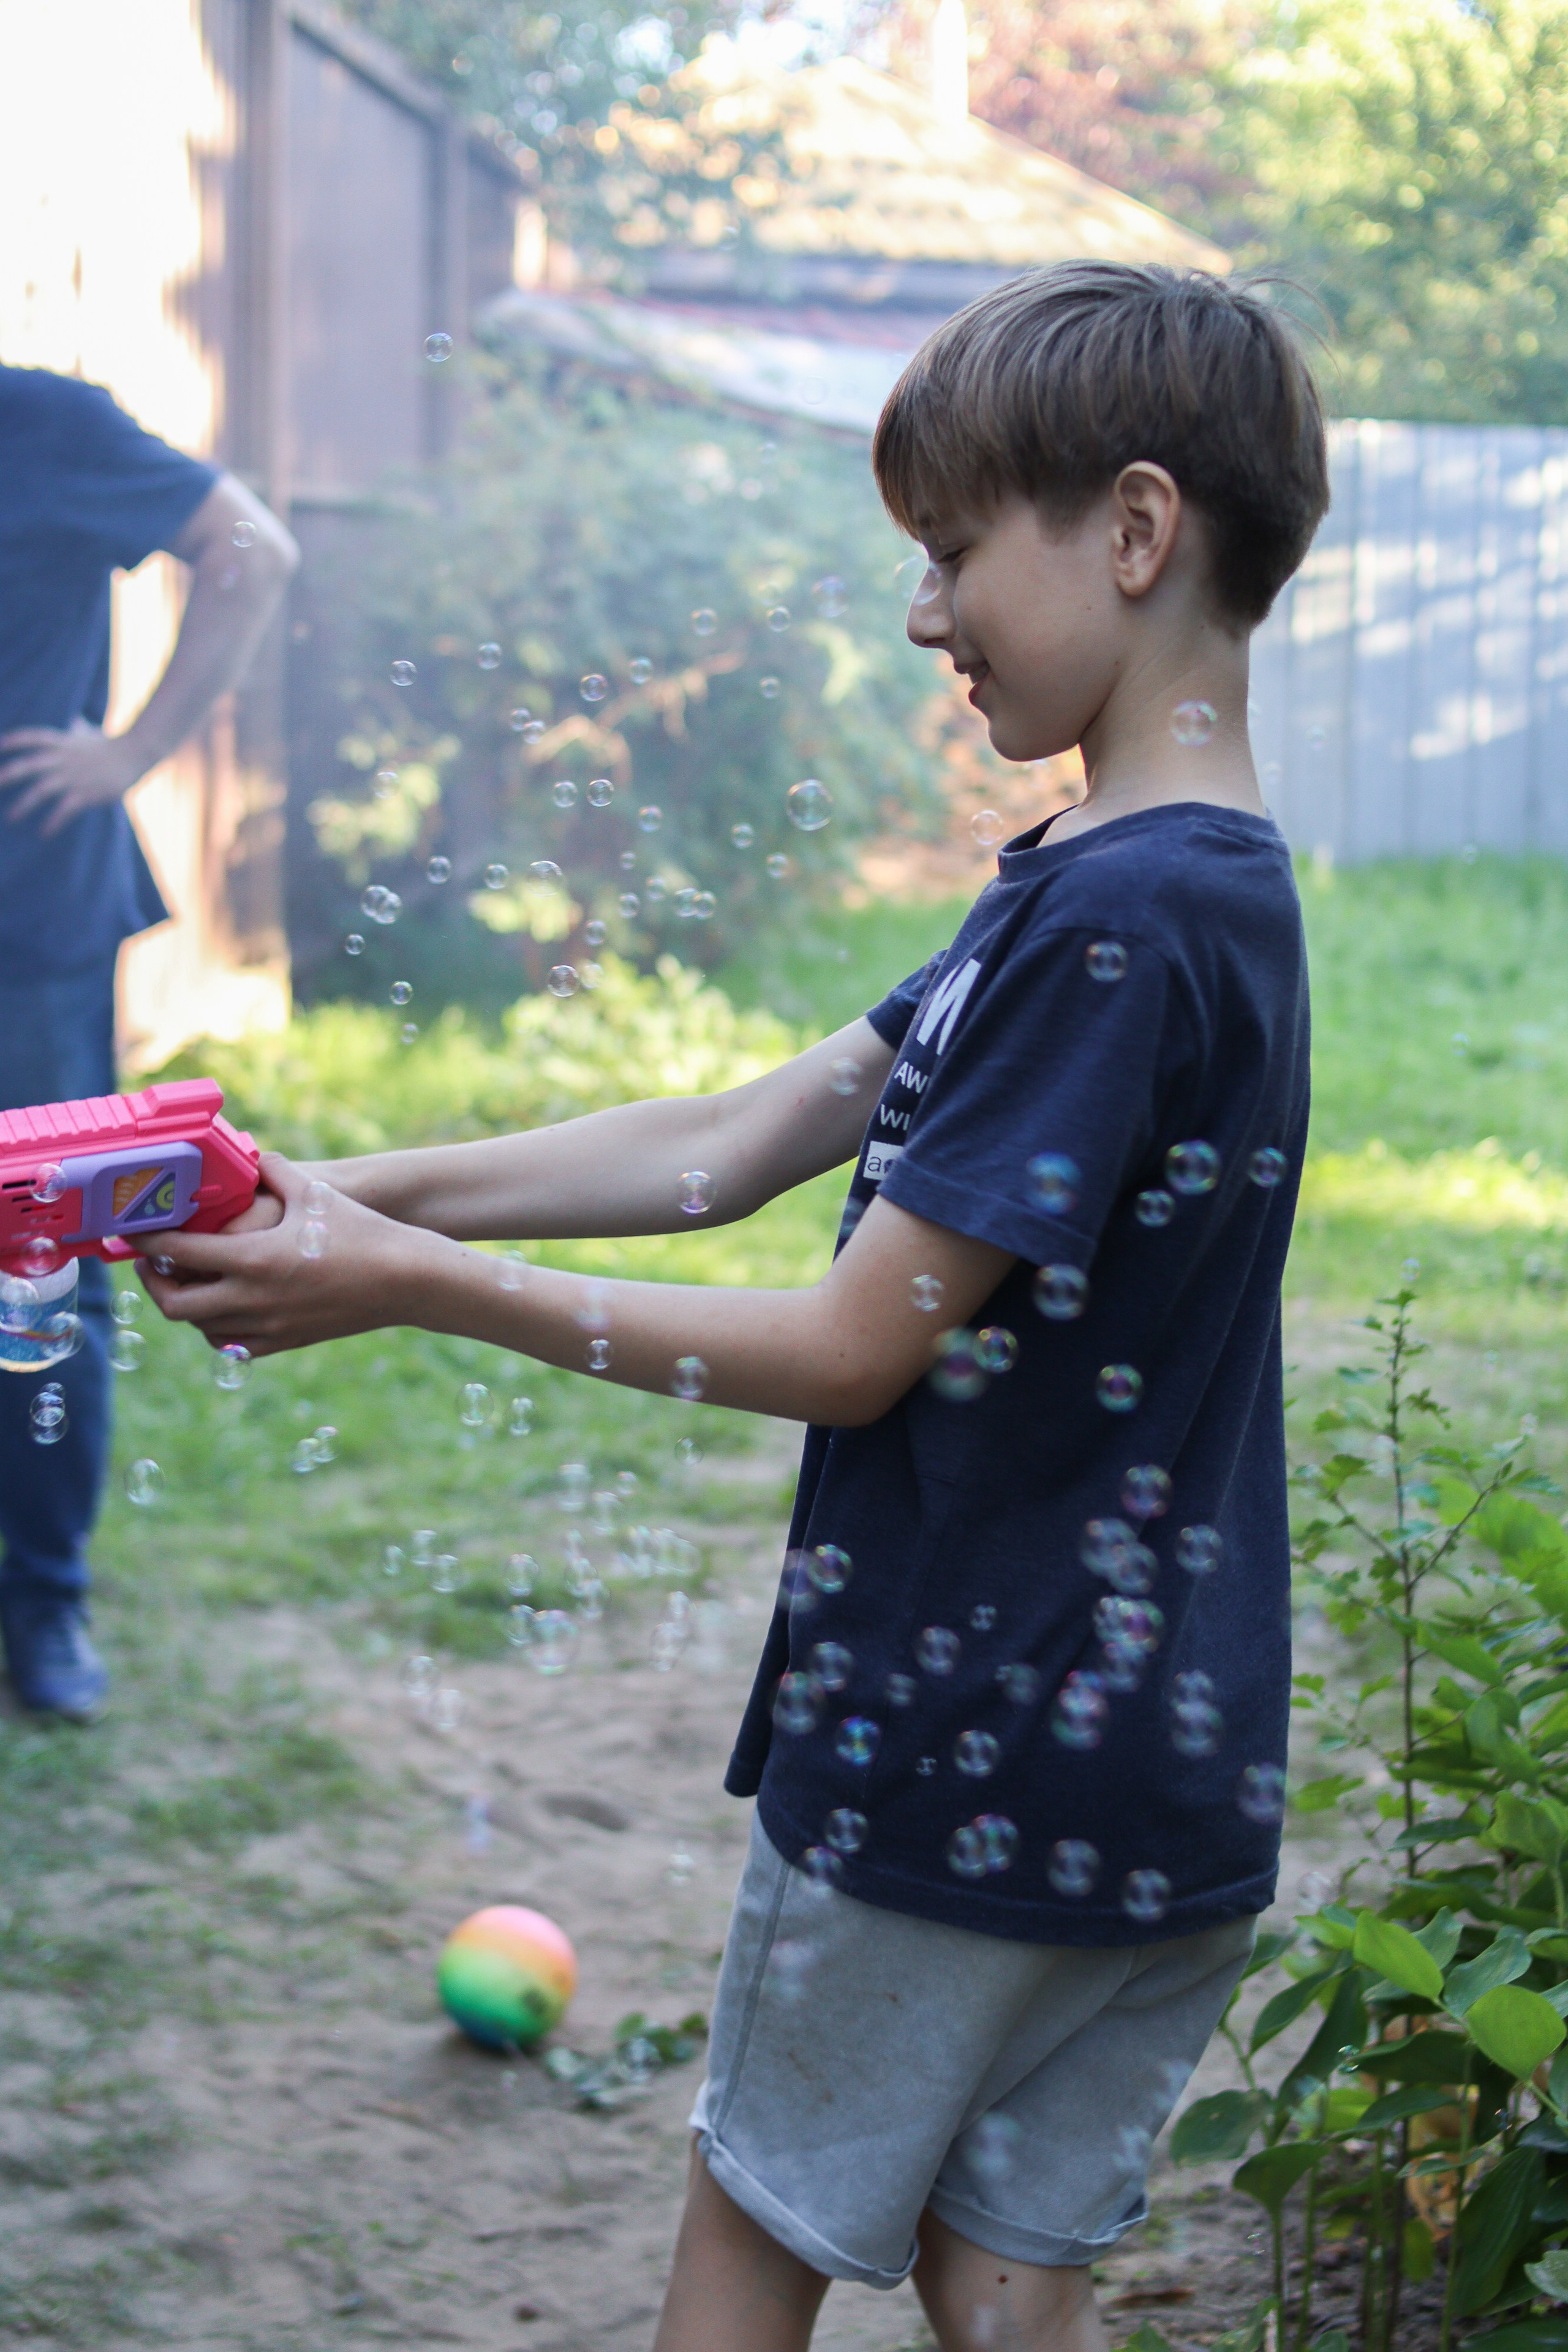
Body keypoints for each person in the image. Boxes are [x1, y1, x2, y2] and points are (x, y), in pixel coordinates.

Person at [140, 262, 1328, 2352]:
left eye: (955, 551)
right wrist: (341, 1188)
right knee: (1009, 2272)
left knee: (749, 2248)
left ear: (1136, 533)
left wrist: (407, 1285)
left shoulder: (1118, 922)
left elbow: (856, 1343)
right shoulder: (1153, 884)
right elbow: (749, 1126)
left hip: (958, 1745)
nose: (921, 613)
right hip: (1161, 1768)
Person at [0, 363, 297, 1720]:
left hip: (28, 929)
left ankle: (45, 1597)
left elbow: (252, 544)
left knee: (34, 1265)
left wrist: (130, 754)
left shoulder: (39, 421)